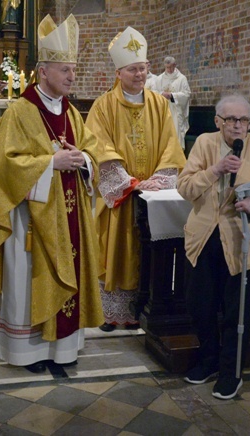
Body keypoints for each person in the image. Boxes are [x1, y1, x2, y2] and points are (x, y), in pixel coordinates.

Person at [0, 14, 104, 374]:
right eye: (65, 70)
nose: (72, 77)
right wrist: (50, 163)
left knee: (70, 273)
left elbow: (92, 151)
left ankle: (63, 348)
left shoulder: (72, 113)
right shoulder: (19, 112)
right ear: (43, 71)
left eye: (73, 70)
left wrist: (83, 161)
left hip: (70, 216)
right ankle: (29, 351)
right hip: (29, 220)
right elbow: (5, 166)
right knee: (28, 279)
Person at [177, 94, 250, 400]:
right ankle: (209, 360)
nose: (238, 126)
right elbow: (184, 187)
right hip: (204, 238)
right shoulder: (204, 143)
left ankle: (231, 372)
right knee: (200, 306)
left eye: (244, 120)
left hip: (244, 241)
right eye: (231, 120)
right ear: (218, 121)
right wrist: (214, 170)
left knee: (236, 312)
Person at [85, 27, 186, 332]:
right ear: (119, 72)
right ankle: (112, 312)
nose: (140, 74)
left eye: (143, 68)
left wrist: (159, 179)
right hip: (120, 196)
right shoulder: (104, 106)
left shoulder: (159, 104)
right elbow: (97, 145)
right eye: (133, 69)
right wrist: (129, 182)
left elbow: (172, 145)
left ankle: (145, 306)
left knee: (149, 250)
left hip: (153, 195)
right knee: (114, 248)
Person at [149, 56, 191, 150]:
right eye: (167, 67)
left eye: (171, 67)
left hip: (176, 111)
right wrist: (162, 94)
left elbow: (186, 94)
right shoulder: (159, 79)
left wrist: (172, 95)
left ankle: (177, 159)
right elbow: (153, 92)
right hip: (163, 111)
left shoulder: (181, 78)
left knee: (176, 136)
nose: (169, 69)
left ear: (175, 65)